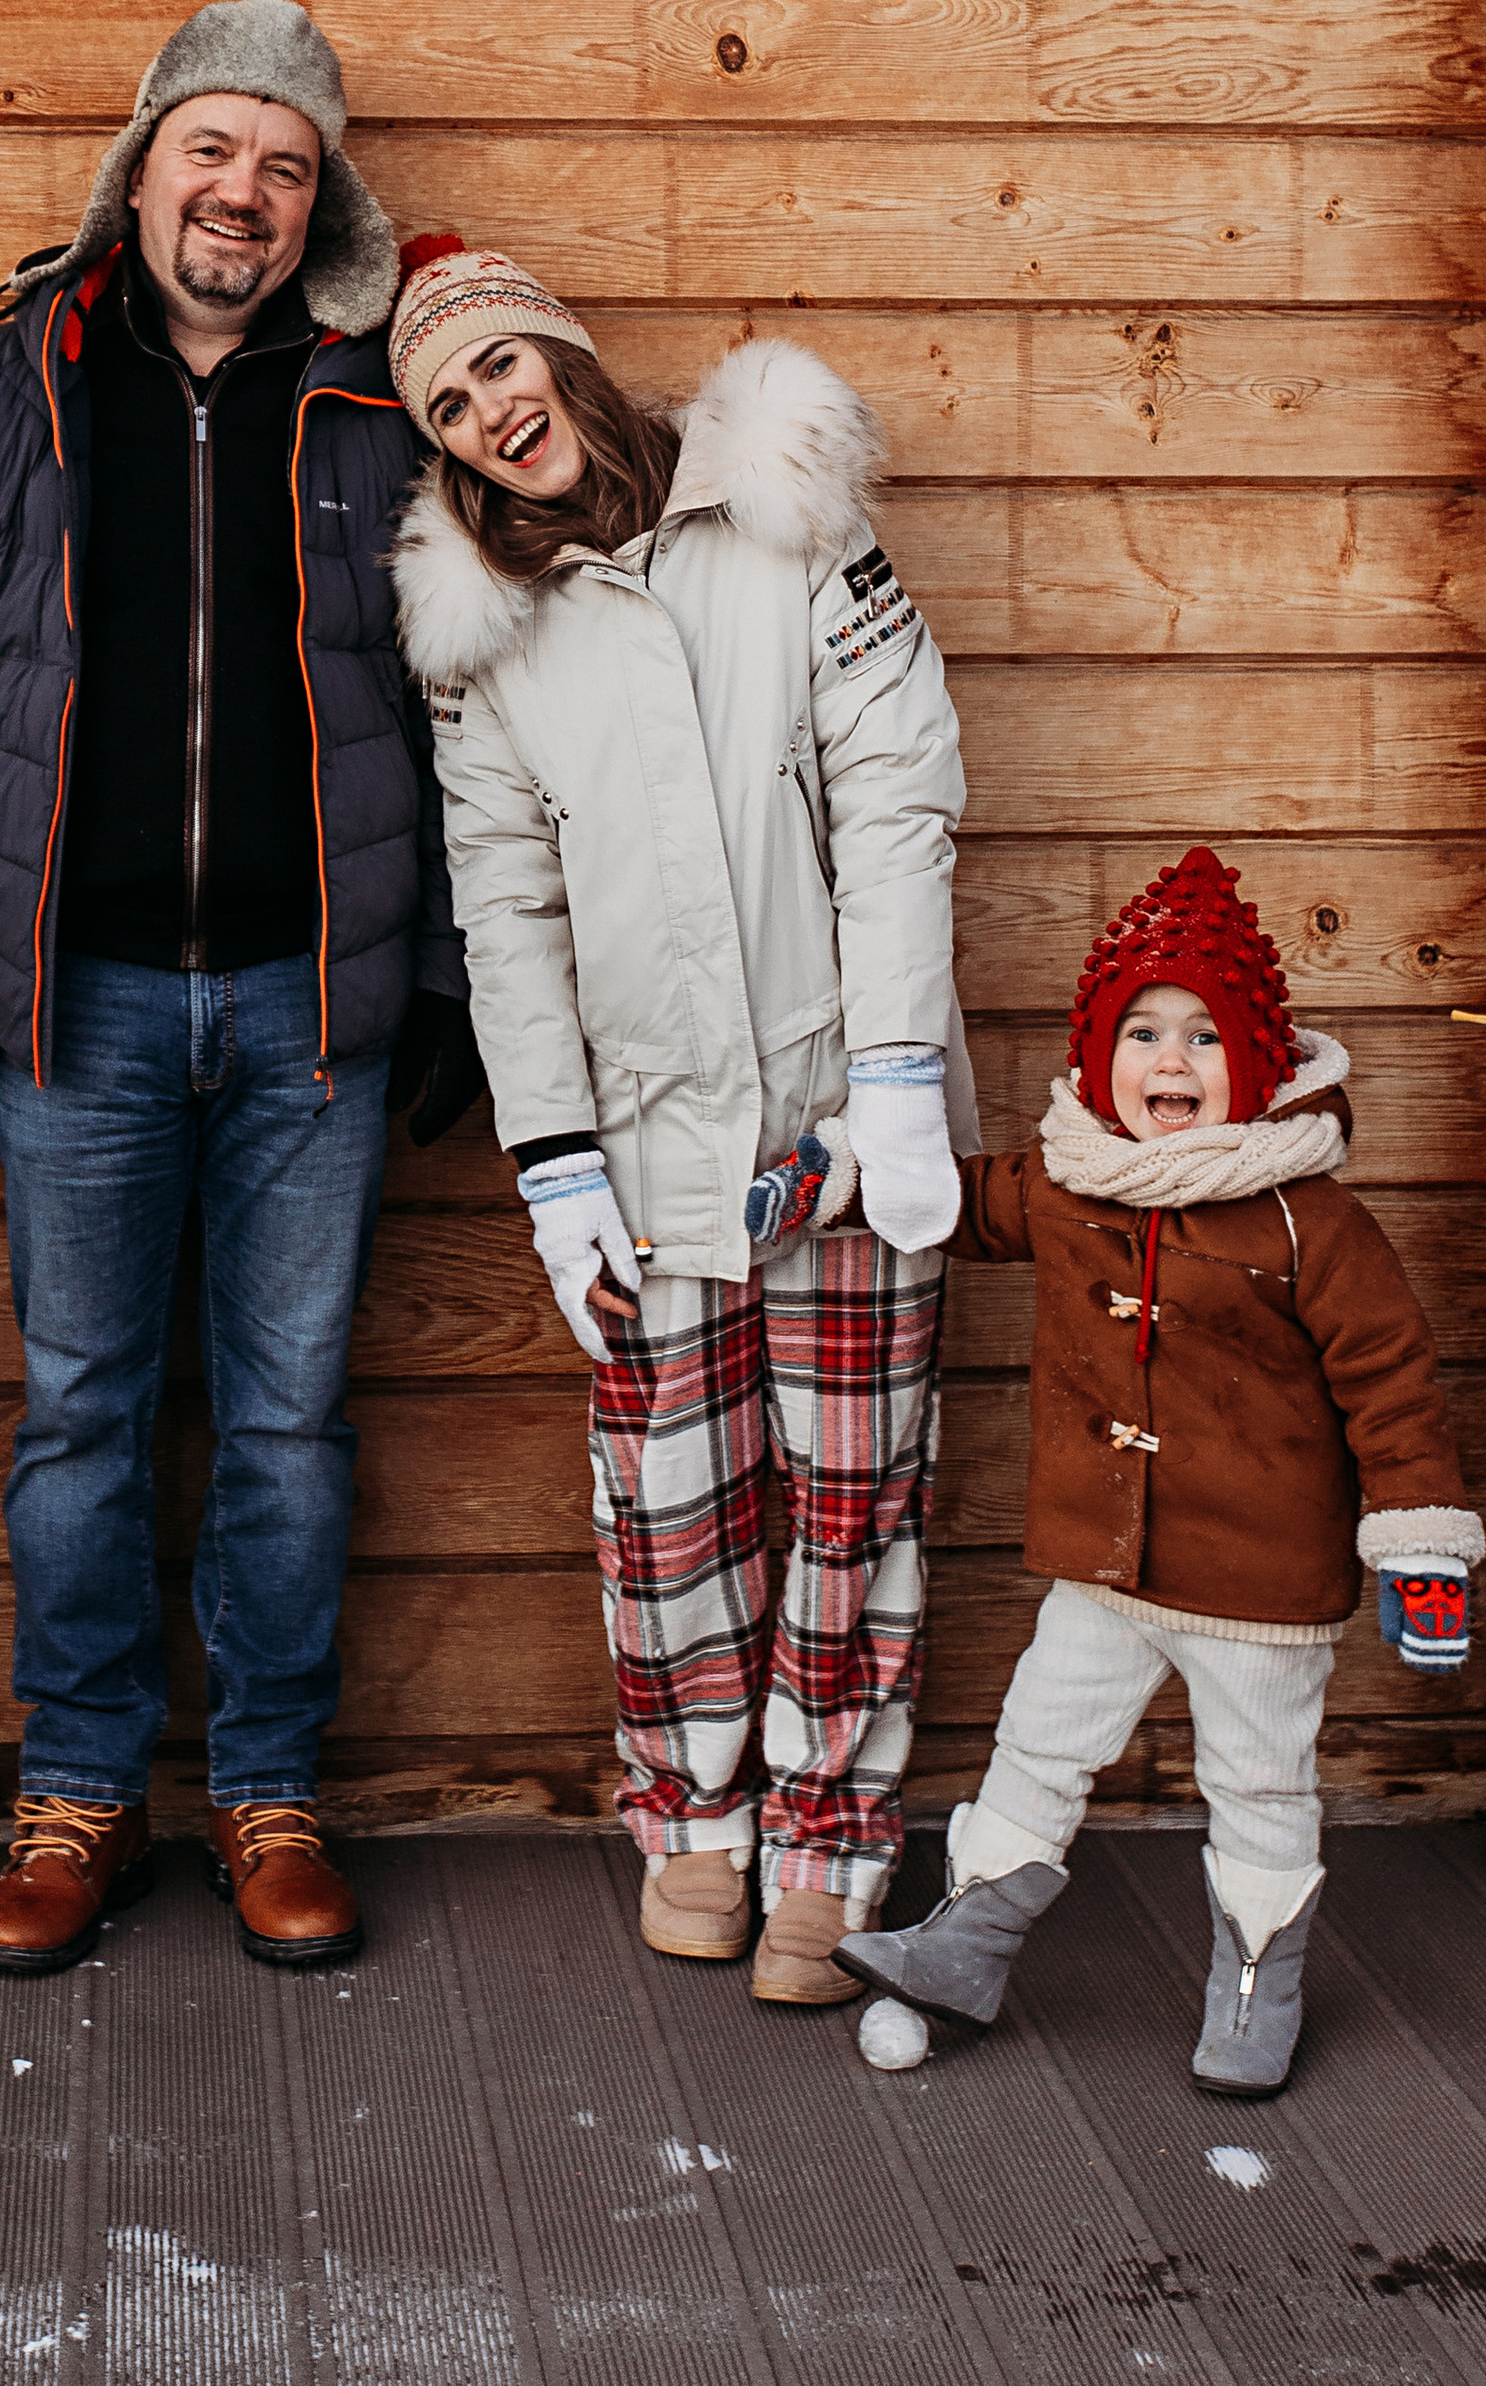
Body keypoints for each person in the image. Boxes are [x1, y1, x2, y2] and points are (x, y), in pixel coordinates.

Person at [0, 0, 477, 1979]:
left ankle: (267, 1791)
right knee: (79, 1419)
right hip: (73, 1003)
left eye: (284, 166)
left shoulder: (374, 412)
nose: (241, 193)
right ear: (141, 167)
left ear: (318, 208)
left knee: (284, 1427)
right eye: (213, 149)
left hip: (311, 1010)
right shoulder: (6, 390)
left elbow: (470, 704)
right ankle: (80, 1793)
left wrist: (453, 969)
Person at [386, 245, 971, 2004]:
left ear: (560, 354)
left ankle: (830, 1846)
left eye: (504, 366)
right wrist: (554, 1163)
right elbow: (506, 911)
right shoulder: (486, 642)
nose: (493, 414)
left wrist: (894, 1079)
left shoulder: (782, 516)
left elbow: (897, 791)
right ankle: (697, 1822)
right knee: (671, 1512)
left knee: (853, 1501)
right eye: (450, 405)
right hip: (644, 1147)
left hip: (839, 1119)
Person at [838, 847, 1484, 2098]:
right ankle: (967, 1945)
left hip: (1259, 1586)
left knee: (1257, 1785)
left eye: (1203, 1036)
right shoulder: (1068, 1179)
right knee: (1037, 1744)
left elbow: (1392, 1384)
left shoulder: (1307, 1219)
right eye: (1141, 1033)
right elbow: (956, 1204)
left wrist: (1418, 1546)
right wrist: (843, 1180)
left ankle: (1255, 1984)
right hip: (1105, 1566)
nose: (1169, 1061)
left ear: (1258, 1063)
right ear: (1098, 1059)